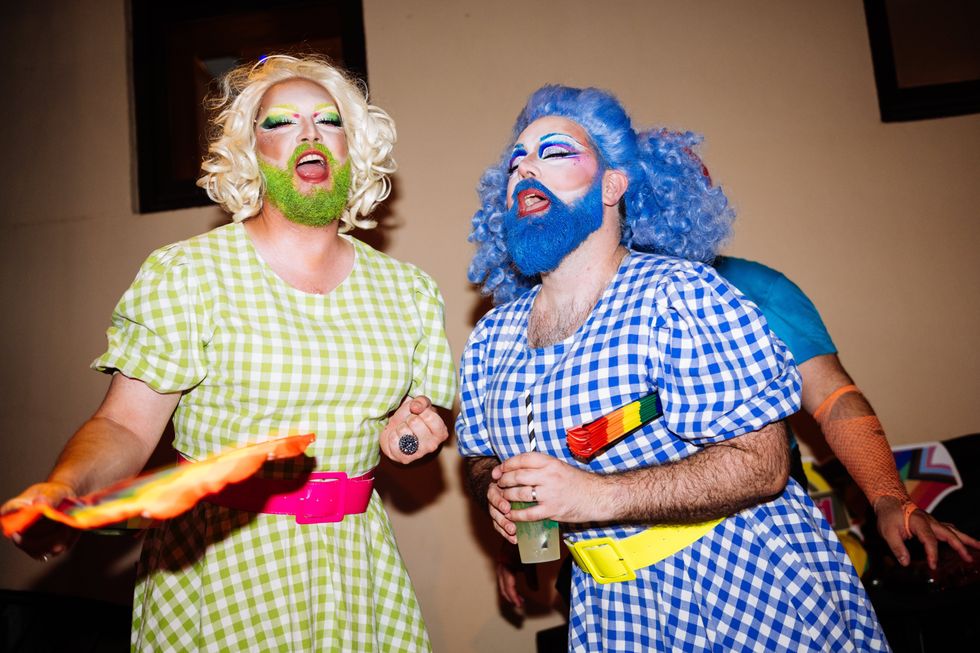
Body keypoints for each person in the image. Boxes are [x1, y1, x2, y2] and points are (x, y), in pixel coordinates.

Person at [1, 55, 456, 651]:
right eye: (280, 123)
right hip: (218, 565)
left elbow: (414, 434)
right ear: (250, 153)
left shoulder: (410, 292)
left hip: (356, 567)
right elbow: (123, 426)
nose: (309, 134)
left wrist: (411, 440)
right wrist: (64, 486)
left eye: (328, 120)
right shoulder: (188, 274)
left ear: (354, 147)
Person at [457, 85, 889, 650]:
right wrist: (494, 487)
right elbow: (483, 456)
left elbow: (761, 466)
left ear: (614, 185)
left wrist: (593, 497)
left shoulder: (680, 295)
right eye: (517, 160)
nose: (525, 168)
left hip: (744, 586)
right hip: (610, 609)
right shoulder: (490, 339)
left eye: (555, 151)